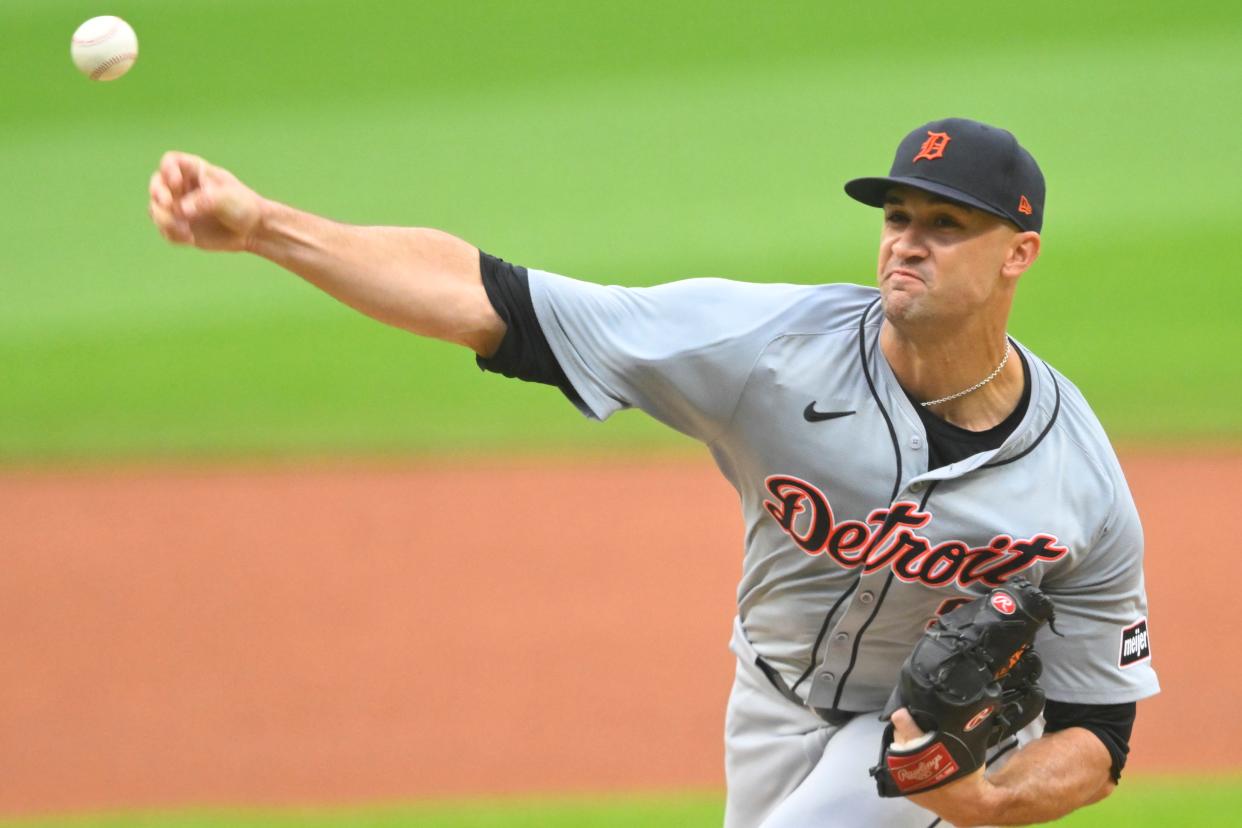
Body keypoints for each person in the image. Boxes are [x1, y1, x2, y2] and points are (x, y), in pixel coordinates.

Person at [147, 117, 1158, 827]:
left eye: (946, 225)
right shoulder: (767, 348)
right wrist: (267, 228)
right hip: (765, 700)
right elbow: (490, 297)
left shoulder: (1079, 480)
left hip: (920, 733)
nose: (907, 242)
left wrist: (979, 797)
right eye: (898, 216)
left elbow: (1098, 731)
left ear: (1019, 253)